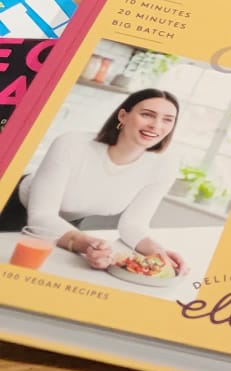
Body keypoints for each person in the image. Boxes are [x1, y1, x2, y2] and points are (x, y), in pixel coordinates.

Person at [9, 88, 185, 273]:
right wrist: (88, 244)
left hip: (66, 226)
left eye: (167, 119)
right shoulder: (72, 144)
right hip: (12, 207)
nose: (156, 126)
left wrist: (158, 252)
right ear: (123, 116)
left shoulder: (164, 165)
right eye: (147, 115)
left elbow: (133, 225)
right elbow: (42, 215)